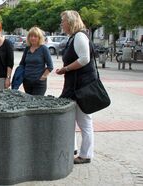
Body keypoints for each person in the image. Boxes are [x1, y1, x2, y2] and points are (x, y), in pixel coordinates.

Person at [56, 10, 96, 164]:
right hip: (75, 86)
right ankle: (71, 148)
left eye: (63, 21)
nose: (62, 24)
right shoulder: (74, 37)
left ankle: (86, 155)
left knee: (84, 121)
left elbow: (85, 59)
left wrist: (65, 69)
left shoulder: (79, 36)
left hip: (81, 86)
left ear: (71, 22)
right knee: (71, 118)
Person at [20, 26, 53, 96]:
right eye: (31, 36)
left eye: (35, 36)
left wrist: (43, 77)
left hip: (39, 83)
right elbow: (22, 64)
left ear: (39, 38)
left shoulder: (44, 49)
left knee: (37, 104)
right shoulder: (27, 48)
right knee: (28, 103)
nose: (32, 38)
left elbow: (50, 66)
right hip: (27, 82)